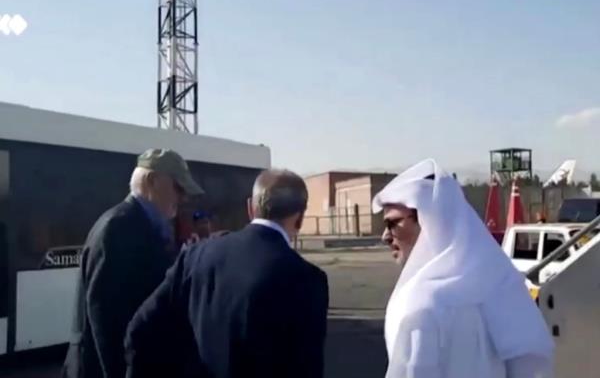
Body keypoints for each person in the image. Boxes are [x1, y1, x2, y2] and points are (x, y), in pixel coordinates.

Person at [124, 169, 329, 378]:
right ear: (301, 218)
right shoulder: (307, 280)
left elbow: (140, 330)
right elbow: (306, 368)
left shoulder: (195, 257)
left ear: (251, 208)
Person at [373, 159, 554, 378]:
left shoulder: (420, 306)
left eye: (393, 223)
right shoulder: (501, 287)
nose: (385, 236)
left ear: (429, 220)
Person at [62, 149, 204, 378]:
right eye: (178, 188)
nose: (183, 197)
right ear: (152, 181)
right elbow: (106, 321)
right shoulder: (118, 229)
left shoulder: (137, 224)